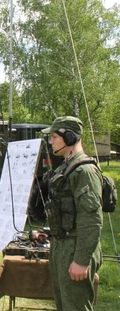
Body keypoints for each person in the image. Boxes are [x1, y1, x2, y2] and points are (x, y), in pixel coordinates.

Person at [42, 116, 102, 310]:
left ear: (69, 137)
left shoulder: (84, 171)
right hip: (62, 244)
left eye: (53, 136)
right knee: (64, 304)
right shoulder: (66, 168)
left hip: (76, 246)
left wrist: (81, 261)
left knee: (75, 306)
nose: (50, 142)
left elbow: (91, 219)